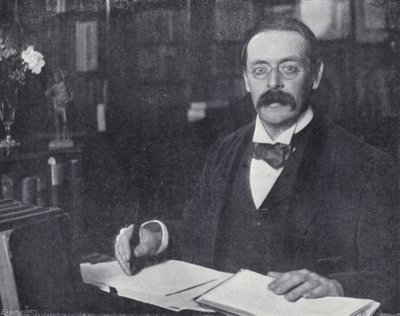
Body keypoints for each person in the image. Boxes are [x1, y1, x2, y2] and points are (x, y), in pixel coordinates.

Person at [115, 18, 398, 311]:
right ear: (247, 80)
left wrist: (338, 286)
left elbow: (390, 274)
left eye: (288, 68)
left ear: (315, 75)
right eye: (260, 70)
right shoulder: (223, 152)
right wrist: (157, 236)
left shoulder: (368, 165)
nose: (273, 82)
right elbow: (198, 234)